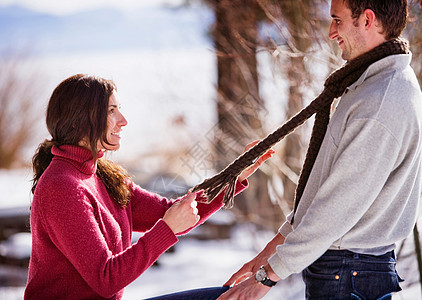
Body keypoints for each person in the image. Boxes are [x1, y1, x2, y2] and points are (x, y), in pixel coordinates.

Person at [218, 0, 422, 299]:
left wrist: (267, 278)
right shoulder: (372, 87)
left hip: (348, 271)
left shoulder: (380, 99)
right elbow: (326, 189)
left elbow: (339, 204)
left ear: (367, 20)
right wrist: (271, 251)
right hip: (348, 269)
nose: (331, 32)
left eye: (337, 20)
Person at [24, 74, 274, 299]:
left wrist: (233, 177)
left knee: (232, 297)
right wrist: (167, 229)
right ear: (78, 119)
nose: (123, 120)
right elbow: (106, 278)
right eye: (111, 111)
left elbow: (173, 212)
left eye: (119, 109)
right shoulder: (62, 187)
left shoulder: (104, 176)